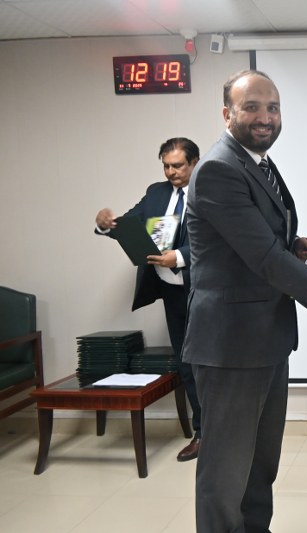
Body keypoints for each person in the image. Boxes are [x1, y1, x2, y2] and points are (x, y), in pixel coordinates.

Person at [182, 70, 307, 533]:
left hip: (267, 339)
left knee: (260, 466)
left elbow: (258, 240)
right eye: (252, 107)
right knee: (225, 473)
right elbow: (263, 258)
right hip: (230, 347)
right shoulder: (218, 169)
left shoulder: (257, 162)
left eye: (273, 108)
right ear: (227, 114)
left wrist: (293, 244)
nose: (265, 117)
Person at [95, 137, 203, 462]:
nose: (171, 172)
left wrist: (179, 257)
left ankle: (220, 432)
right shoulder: (156, 192)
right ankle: (203, 432)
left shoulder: (210, 191)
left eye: (178, 165)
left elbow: (216, 241)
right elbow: (128, 224)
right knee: (186, 362)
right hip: (171, 292)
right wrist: (106, 225)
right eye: (166, 166)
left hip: (204, 291)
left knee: (209, 364)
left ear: (194, 162)